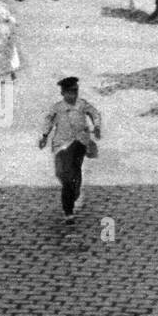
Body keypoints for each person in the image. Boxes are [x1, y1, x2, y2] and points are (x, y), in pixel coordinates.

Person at [38, 76, 102, 224]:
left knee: (73, 171)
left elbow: (94, 113)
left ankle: (68, 211)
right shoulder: (57, 108)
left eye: (75, 91)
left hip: (79, 143)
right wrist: (44, 136)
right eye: (69, 92)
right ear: (63, 93)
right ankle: (72, 191)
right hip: (61, 145)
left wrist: (97, 126)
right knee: (61, 173)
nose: (73, 95)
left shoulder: (82, 104)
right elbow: (48, 121)